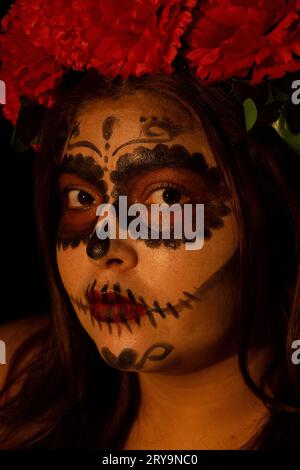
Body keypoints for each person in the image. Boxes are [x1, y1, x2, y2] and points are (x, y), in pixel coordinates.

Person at [0, 0, 299, 451]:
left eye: (166, 197)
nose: (103, 246)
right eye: (82, 198)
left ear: (276, 206)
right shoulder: (12, 378)